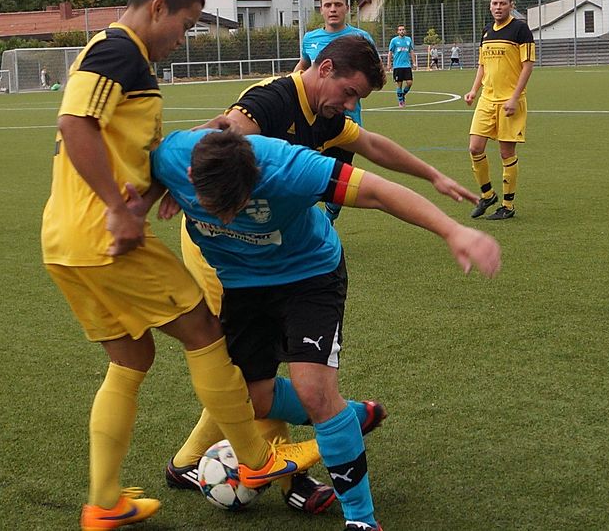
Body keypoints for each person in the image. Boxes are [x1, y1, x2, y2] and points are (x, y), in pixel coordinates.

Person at [164, 34, 477, 518]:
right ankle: (303, 461)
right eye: (350, 93)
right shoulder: (269, 104)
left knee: (293, 387)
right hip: (227, 254)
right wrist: (180, 175)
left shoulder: (317, 128)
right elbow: (224, 130)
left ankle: (320, 470)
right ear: (325, 69)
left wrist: (433, 179)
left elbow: (371, 151)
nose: (351, 106)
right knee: (243, 382)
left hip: (294, 257)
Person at [39, 0, 321, 529]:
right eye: (186, 24)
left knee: (132, 357)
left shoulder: (125, 59)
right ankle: (256, 459)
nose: (182, 38)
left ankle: (104, 502)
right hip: (103, 235)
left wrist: (159, 185)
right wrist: (116, 209)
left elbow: (122, 146)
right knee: (205, 330)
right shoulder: (119, 50)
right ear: (158, 6)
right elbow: (76, 124)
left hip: (65, 241)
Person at [292, 0, 376, 220]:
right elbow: (303, 66)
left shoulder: (361, 38)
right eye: (328, 4)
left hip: (346, 121)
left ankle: (329, 218)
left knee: (337, 181)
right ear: (321, 9)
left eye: (338, 4)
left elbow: (373, 74)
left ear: (347, 8)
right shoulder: (310, 39)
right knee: (306, 174)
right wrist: (289, 86)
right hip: (313, 121)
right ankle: (306, 222)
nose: (333, 9)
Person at [465, 0, 535, 221]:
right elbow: (482, 66)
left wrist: (514, 98)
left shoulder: (520, 29)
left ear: (510, 5)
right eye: (495, 3)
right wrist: (474, 91)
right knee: (475, 148)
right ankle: (487, 195)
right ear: (490, 6)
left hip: (509, 101)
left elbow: (527, 66)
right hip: (487, 99)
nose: (498, 7)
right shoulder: (486, 31)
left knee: (506, 153)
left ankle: (508, 205)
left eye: (503, 3)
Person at [387, 25, 415, 107]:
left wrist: (414, 63)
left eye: (403, 29)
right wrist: (389, 63)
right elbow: (390, 52)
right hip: (397, 66)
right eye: (400, 30)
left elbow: (411, 51)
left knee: (409, 82)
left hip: (407, 65)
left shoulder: (408, 40)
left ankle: (402, 94)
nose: (402, 31)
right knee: (399, 84)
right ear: (397, 31)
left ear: (405, 31)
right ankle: (401, 101)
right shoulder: (394, 40)